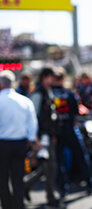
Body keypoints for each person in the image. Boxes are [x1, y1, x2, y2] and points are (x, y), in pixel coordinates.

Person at [52, 67, 92, 197]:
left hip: (57, 132)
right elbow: (77, 111)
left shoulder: (49, 94)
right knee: (82, 157)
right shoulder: (70, 93)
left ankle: (62, 189)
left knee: (59, 161)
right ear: (63, 79)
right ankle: (90, 184)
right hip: (71, 129)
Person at [0, 70, 38, 209]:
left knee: (2, 179)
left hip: (3, 144)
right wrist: (31, 139)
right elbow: (32, 123)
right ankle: (18, 205)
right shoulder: (25, 100)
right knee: (18, 178)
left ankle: (6, 205)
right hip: (20, 143)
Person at [27, 67, 61, 207]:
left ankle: (25, 185)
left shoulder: (48, 91)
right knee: (50, 167)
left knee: (48, 167)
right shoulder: (38, 93)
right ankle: (51, 199)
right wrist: (35, 138)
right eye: (52, 77)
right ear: (45, 77)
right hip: (41, 137)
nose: (54, 79)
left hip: (47, 135)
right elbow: (32, 117)